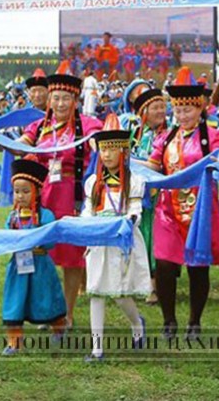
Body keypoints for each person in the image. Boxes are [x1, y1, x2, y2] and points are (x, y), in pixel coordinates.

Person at [146, 67, 219, 341]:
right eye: (178, 111)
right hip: (168, 210)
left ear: (200, 108)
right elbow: (153, 165)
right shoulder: (166, 137)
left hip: (200, 211)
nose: (182, 116)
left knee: (197, 266)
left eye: (188, 110)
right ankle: (168, 320)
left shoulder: (214, 137)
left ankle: (194, 321)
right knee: (164, 265)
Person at [18, 64, 103, 329]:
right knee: (41, 254)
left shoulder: (87, 124)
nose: (61, 103)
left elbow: (98, 141)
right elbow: (20, 145)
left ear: (76, 100)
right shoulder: (39, 127)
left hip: (71, 196)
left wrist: (97, 144)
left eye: (66, 98)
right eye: (56, 98)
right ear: (49, 99)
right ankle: (47, 310)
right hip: (44, 196)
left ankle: (67, 313)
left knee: (71, 256)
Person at [82, 115, 149, 361]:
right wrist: (86, 224)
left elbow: (135, 211)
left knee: (120, 294)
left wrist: (128, 221)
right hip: (98, 242)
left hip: (121, 243)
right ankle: (97, 349)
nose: (107, 155)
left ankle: (137, 323)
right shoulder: (93, 183)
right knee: (96, 291)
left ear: (123, 151)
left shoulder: (134, 182)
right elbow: (88, 210)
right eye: (103, 150)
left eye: (112, 149)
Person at [1, 159, 67, 356]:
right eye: (16, 191)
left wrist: (36, 241)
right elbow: (6, 238)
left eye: (25, 191)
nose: (20, 196)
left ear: (37, 191)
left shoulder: (46, 216)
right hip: (18, 267)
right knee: (14, 302)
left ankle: (59, 328)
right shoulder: (12, 217)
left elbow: (51, 240)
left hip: (40, 266)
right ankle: (14, 342)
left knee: (46, 299)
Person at [129, 87, 169, 304]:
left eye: (163, 106)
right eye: (155, 107)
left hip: (159, 194)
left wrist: (129, 161)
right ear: (143, 111)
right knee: (138, 234)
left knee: (154, 236)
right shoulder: (134, 134)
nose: (161, 111)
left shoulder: (169, 134)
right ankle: (136, 281)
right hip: (135, 192)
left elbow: (159, 164)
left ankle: (154, 285)